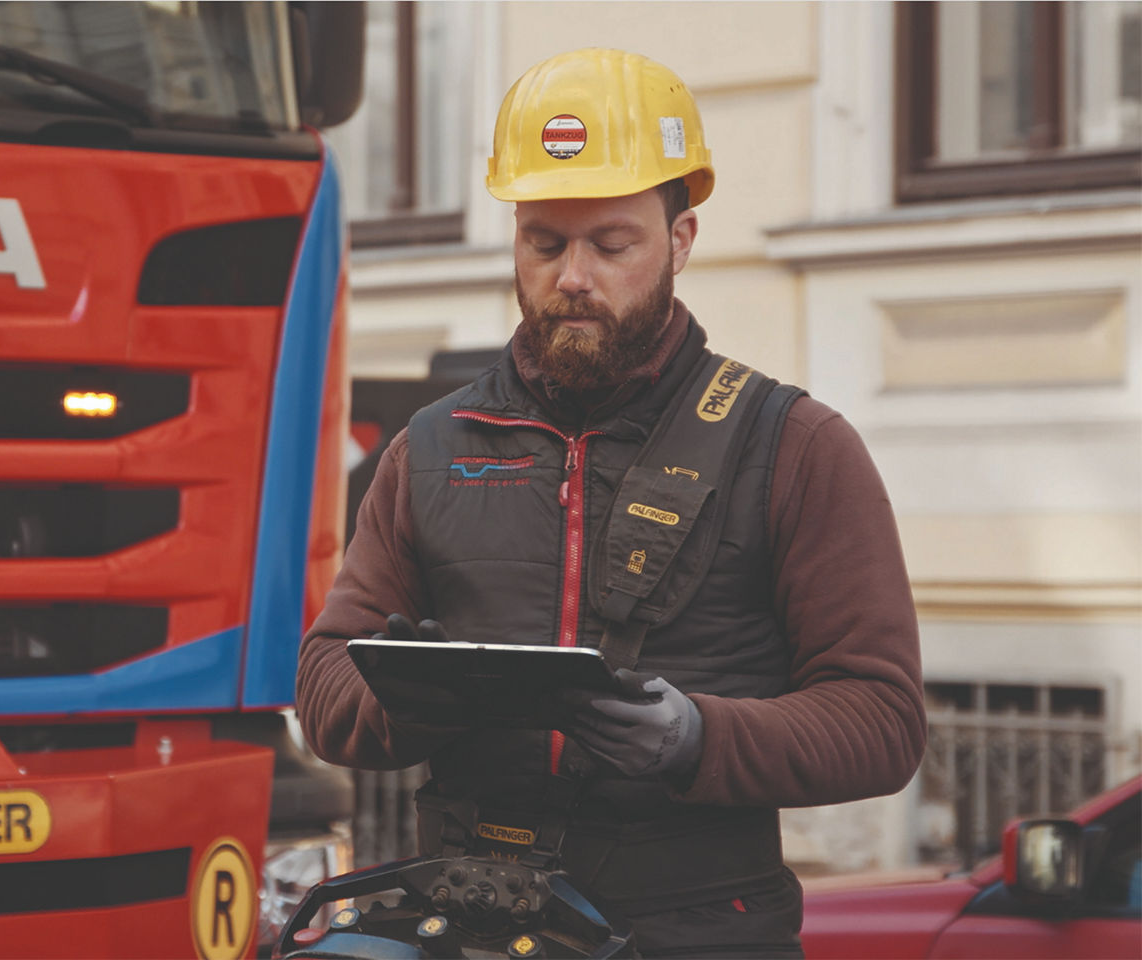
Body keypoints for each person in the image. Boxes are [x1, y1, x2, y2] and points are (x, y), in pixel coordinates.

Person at [296, 48, 926, 958]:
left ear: (680, 239)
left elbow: (883, 719)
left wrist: (696, 739)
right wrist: (416, 699)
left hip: (700, 928)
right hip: (469, 918)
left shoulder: (793, 445)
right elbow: (323, 685)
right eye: (544, 243)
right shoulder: (429, 446)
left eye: (612, 243)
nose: (573, 277)